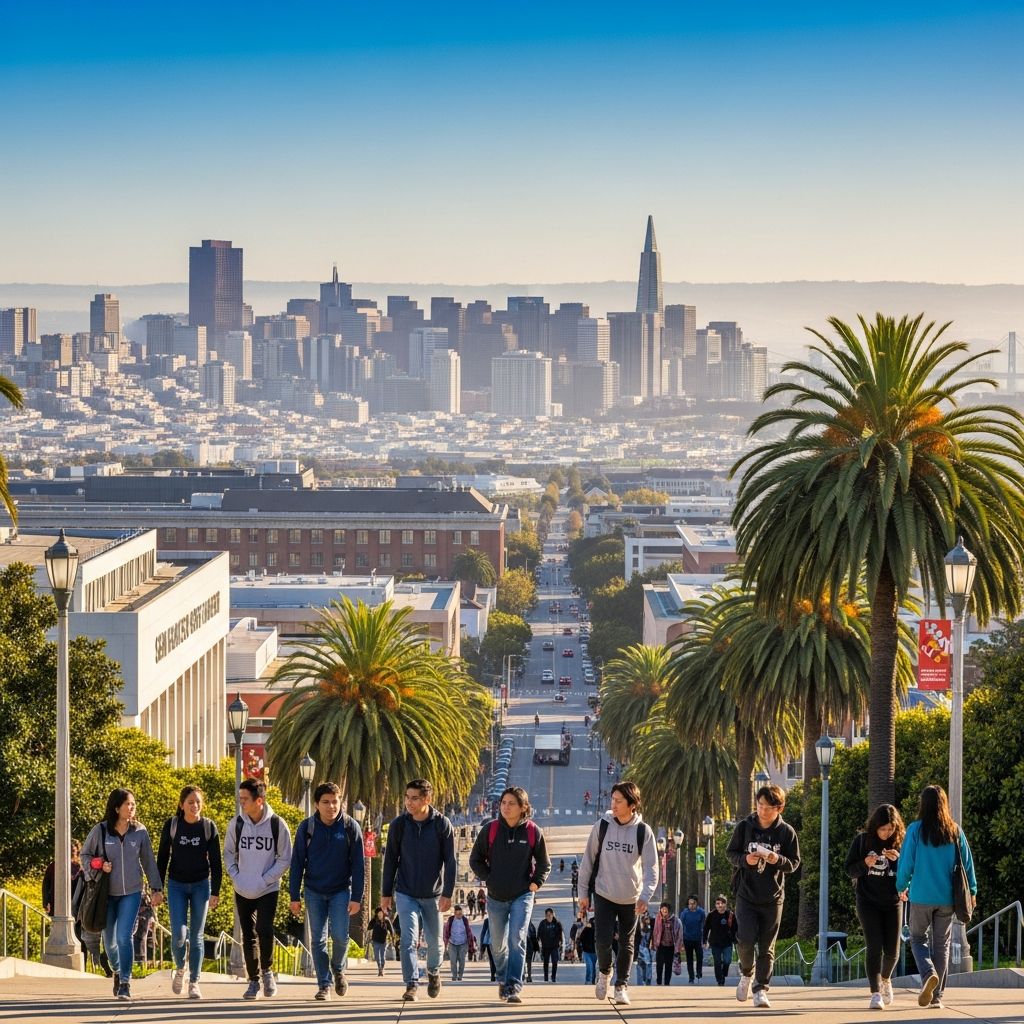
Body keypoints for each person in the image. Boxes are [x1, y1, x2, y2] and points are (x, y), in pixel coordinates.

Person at [577, 781, 659, 1007]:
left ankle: (621, 985)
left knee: (627, 943)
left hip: (631, 898)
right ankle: (604, 973)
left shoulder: (644, 832)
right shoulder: (601, 826)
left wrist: (645, 896)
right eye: (612, 799)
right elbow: (587, 862)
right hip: (603, 893)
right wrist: (583, 893)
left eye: (619, 800)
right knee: (602, 941)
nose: (613, 804)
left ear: (632, 804)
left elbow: (652, 868)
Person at [896, 785, 977, 1010]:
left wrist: (900, 885)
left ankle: (928, 974)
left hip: (921, 895)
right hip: (947, 899)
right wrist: (972, 891)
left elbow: (906, 863)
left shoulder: (915, 830)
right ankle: (937, 996)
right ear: (944, 803)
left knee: (918, 939)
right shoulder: (954, 831)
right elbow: (967, 864)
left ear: (923, 804)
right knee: (942, 945)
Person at [469, 786, 551, 1004]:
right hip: (495, 897)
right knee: (497, 944)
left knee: (517, 938)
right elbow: (474, 859)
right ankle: (504, 978)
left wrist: (536, 883)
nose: (505, 807)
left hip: (522, 896)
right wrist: (489, 877)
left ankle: (514, 984)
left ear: (523, 807)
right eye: (503, 802)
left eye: (511, 803)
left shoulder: (533, 831)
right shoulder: (491, 829)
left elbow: (544, 864)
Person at [81, 789, 163, 1002]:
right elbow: (85, 856)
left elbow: (148, 861)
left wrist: (156, 888)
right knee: (109, 942)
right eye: (128, 804)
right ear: (117, 807)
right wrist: (100, 865)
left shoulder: (140, 832)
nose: (132, 808)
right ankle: (117, 971)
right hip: (106, 894)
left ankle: (125, 982)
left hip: (132, 893)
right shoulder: (100, 831)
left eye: (134, 804)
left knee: (123, 937)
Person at [381, 778, 456, 1002]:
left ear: (427, 799)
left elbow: (450, 861)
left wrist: (447, 893)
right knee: (408, 940)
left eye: (414, 798)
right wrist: (386, 894)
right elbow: (390, 860)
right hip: (405, 893)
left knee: (435, 943)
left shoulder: (442, 825)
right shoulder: (399, 825)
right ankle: (411, 983)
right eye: (407, 797)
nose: (409, 803)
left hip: (433, 895)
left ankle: (433, 972)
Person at [726, 782, 801, 1009]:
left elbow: (794, 864)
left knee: (767, 946)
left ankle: (761, 989)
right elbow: (731, 853)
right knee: (746, 940)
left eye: (768, 807)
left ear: (779, 808)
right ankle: (746, 973)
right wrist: (744, 860)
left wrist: (776, 860)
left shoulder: (786, 832)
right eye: (760, 805)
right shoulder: (745, 827)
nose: (763, 811)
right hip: (746, 895)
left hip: (773, 897)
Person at [289, 782, 364, 1001]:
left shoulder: (351, 827)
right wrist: (294, 895)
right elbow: (297, 863)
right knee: (318, 941)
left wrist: (356, 897)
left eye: (335, 801)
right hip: (313, 891)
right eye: (326, 802)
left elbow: (358, 866)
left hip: (341, 891)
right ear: (316, 804)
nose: (331, 806)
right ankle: (324, 984)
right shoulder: (307, 828)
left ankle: (338, 969)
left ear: (341, 802)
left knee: (341, 937)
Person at [224, 778, 293, 1001]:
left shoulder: (277, 824)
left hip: (268, 888)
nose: (241, 802)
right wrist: (236, 876)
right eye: (240, 798)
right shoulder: (237, 824)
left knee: (264, 929)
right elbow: (228, 854)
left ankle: (267, 972)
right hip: (242, 887)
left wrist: (265, 879)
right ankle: (253, 980)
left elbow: (285, 858)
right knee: (248, 935)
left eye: (245, 799)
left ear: (259, 800)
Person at [157, 785, 222, 1000]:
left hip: (201, 885)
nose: (195, 806)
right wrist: (157, 888)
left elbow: (216, 862)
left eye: (198, 802)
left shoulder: (208, 827)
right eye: (190, 802)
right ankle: (180, 968)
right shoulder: (172, 825)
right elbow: (163, 858)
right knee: (179, 935)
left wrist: (216, 891)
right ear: (182, 805)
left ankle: (194, 981)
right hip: (176, 884)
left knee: (197, 936)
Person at [845, 804, 906, 1009]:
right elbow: (849, 870)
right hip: (867, 901)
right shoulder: (862, 841)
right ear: (875, 827)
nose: (886, 833)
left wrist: (897, 861)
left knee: (892, 951)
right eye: (882, 829)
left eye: (890, 829)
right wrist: (865, 864)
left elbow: (910, 870)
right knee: (874, 947)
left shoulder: (901, 842)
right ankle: (875, 993)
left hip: (893, 902)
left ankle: (886, 979)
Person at [703, 894, 738, 986]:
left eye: (722, 903)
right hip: (715, 943)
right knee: (717, 962)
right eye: (718, 903)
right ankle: (720, 980)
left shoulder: (730, 915)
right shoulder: (711, 915)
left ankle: (724, 972)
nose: (720, 905)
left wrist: (735, 939)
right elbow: (706, 929)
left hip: (727, 943)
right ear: (715, 905)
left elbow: (735, 928)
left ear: (725, 904)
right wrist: (704, 941)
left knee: (727, 961)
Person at [443, 905, 476, 981]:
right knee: (453, 961)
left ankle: (460, 976)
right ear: (454, 913)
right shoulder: (451, 920)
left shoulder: (465, 920)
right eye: (457, 914)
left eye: (460, 914)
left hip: (463, 943)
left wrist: (471, 943)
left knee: (462, 961)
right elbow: (446, 931)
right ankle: (454, 976)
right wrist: (445, 942)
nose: (459, 915)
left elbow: (469, 932)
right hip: (452, 943)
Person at [652, 901, 681, 984]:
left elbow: (679, 934)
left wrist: (678, 948)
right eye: (662, 909)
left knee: (668, 965)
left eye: (665, 910)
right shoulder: (658, 918)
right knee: (659, 964)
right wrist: (654, 943)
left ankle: (667, 982)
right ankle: (659, 981)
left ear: (669, 911)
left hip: (671, 946)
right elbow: (655, 931)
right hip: (660, 945)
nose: (664, 911)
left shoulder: (675, 920)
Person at [680, 895, 707, 983]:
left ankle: (699, 973)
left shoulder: (701, 912)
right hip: (687, 938)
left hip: (698, 938)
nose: (692, 905)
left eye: (693, 903)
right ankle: (691, 977)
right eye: (690, 904)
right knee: (689, 958)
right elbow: (681, 926)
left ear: (696, 904)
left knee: (700, 957)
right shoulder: (684, 913)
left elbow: (704, 925)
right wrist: (681, 941)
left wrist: (705, 939)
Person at [537, 907, 564, 982]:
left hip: (554, 946)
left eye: (550, 914)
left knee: (555, 961)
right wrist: (538, 942)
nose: (549, 916)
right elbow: (538, 933)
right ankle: (546, 977)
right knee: (546, 962)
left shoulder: (557, 923)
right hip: (545, 946)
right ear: (545, 915)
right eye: (547, 915)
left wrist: (561, 943)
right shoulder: (542, 923)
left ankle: (553, 976)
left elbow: (560, 934)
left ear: (553, 914)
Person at [370, 907, 396, 976]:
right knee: (377, 956)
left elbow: (391, 930)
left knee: (382, 956)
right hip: (375, 940)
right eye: (378, 912)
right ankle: (379, 968)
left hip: (383, 941)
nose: (380, 914)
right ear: (377, 913)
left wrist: (392, 937)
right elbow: (368, 928)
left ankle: (381, 968)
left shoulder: (386, 920)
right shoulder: (374, 920)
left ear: (383, 913)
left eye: (381, 912)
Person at [576, 912, 598, 983]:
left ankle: (593, 981)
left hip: (596, 952)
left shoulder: (600, 929)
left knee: (594, 968)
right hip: (587, 952)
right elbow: (580, 939)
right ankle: (587, 981)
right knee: (589, 967)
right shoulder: (586, 929)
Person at [633, 916, 654, 986]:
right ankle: (641, 983)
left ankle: (647, 980)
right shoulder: (638, 927)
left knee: (646, 966)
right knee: (640, 966)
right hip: (640, 949)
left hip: (646, 950)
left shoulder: (649, 927)